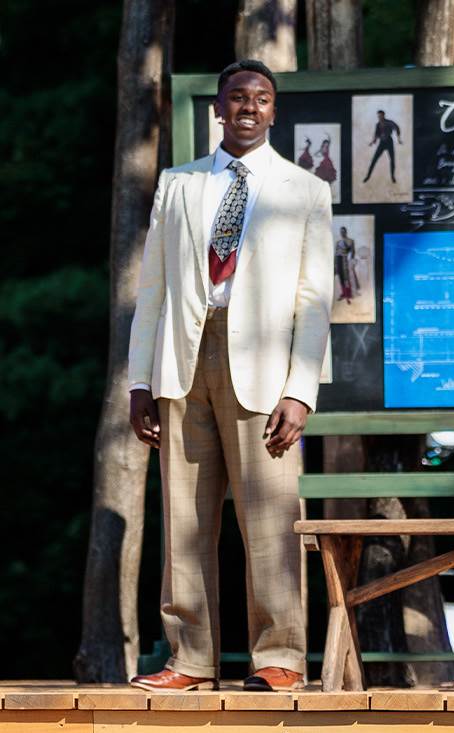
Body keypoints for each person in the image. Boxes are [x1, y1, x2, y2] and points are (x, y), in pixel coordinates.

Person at [125, 59, 334, 693]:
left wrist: (300, 391)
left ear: (274, 111)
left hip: (265, 370)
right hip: (183, 362)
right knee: (184, 521)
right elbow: (153, 290)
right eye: (238, 96)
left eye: (261, 98)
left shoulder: (305, 190)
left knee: (269, 521)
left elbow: (314, 301)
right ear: (218, 109)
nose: (249, 106)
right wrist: (141, 382)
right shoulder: (178, 184)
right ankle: (189, 659)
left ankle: (280, 657)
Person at [363, 109, 402, 183]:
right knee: (374, 160)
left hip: (389, 142)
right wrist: (373, 141)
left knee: (392, 160)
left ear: (383, 115)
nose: (379, 117)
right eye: (378, 116)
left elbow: (397, 128)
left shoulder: (389, 122)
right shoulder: (378, 124)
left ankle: (392, 176)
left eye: (380, 116)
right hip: (382, 143)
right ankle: (368, 176)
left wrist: (399, 139)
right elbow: (376, 134)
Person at [334, 226, 358, 301]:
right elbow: (336, 253)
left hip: (346, 260)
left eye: (343, 231)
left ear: (346, 232)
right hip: (339, 260)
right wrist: (335, 264)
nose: (342, 233)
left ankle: (349, 293)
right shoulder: (338, 242)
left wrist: (351, 261)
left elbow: (352, 252)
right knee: (340, 277)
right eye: (341, 232)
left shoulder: (350, 241)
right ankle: (344, 293)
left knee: (347, 277)